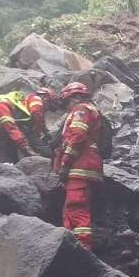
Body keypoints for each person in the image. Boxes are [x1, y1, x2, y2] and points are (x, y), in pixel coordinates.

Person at [50, 82, 103, 250]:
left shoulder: (81, 109)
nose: (67, 107)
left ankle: (84, 250)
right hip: (83, 167)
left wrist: (65, 162)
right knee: (69, 211)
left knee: (76, 209)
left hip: (80, 167)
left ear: (76, 97)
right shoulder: (89, 110)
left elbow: (78, 136)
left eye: (67, 102)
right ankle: (71, 248)